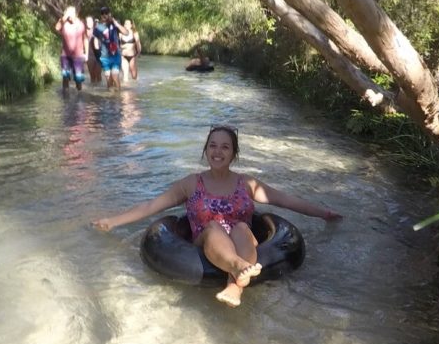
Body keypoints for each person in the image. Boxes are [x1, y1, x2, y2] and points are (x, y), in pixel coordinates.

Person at [92, 125, 341, 307]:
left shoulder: (247, 184)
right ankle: (239, 268)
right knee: (213, 227)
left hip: (242, 240)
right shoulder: (191, 184)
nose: (218, 151)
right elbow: (151, 206)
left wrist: (323, 213)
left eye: (225, 146)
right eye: (212, 145)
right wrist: (113, 221)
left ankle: (235, 285)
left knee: (243, 228)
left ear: (234, 153)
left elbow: (285, 200)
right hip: (206, 240)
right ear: (205, 150)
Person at [53, 6, 89, 92]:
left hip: (78, 55)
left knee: (78, 78)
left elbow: (85, 39)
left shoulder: (81, 24)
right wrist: (64, 17)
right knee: (65, 76)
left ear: (75, 14)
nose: (70, 16)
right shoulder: (64, 22)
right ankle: (65, 96)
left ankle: (79, 94)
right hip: (65, 55)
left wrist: (86, 53)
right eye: (68, 14)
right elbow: (57, 28)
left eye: (71, 14)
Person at [94, 7, 123, 89]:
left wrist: (116, 24)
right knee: (108, 80)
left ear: (110, 14)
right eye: (102, 13)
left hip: (115, 55)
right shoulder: (98, 27)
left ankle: (119, 97)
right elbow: (96, 41)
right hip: (104, 57)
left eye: (106, 13)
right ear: (101, 15)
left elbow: (126, 32)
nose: (104, 15)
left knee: (114, 75)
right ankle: (110, 99)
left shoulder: (114, 24)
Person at [84, 16, 102, 86]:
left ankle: (100, 90)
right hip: (89, 54)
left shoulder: (97, 30)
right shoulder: (83, 32)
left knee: (98, 73)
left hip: (98, 54)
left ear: (93, 22)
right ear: (86, 23)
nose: (89, 23)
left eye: (91, 21)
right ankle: (93, 89)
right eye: (88, 21)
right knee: (92, 75)